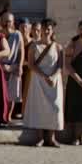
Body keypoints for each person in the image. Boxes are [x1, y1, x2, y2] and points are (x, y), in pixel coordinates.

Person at [21, 18, 63, 147]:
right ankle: (40, 138)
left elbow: (60, 66)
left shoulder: (58, 47)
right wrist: (44, 76)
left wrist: (53, 77)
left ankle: (51, 138)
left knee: (55, 108)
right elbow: (31, 65)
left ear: (52, 31)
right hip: (38, 80)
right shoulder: (34, 46)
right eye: (44, 28)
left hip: (54, 81)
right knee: (39, 108)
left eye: (48, 29)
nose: (46, 31)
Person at [0, 12, 24, 118]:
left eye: (9, 21)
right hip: (1, 68)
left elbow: (21, 51)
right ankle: (1, 116)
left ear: (12, 22)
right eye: (4, 20)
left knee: (12, 95)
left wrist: (20, 66)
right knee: (1, 94)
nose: (6, 23)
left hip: (13, 67)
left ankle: (8, 116)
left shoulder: (17, 34)